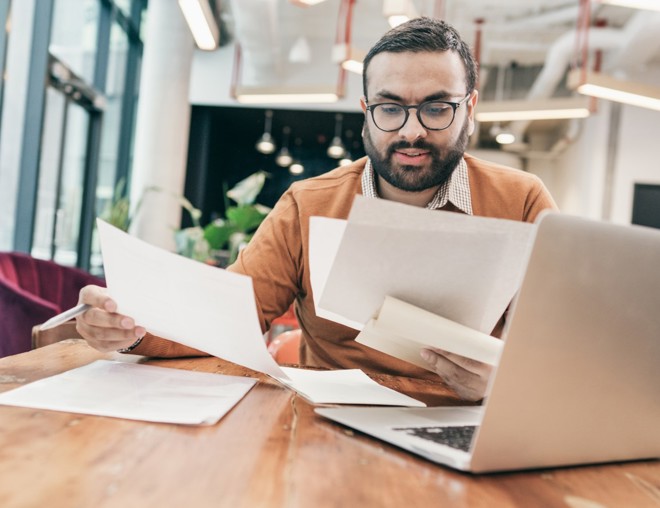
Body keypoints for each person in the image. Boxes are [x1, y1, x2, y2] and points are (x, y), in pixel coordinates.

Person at [76, 17, 557, 402]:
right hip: (326, 422)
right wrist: (127, 328)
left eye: (436, 108)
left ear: (470, 107)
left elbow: (563, 353)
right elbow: (225, 321)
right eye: (390, 108)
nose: (411, 131)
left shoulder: (522, 200)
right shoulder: (308, 204)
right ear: (366, 109)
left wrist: (507, 385)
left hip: (466, 424)